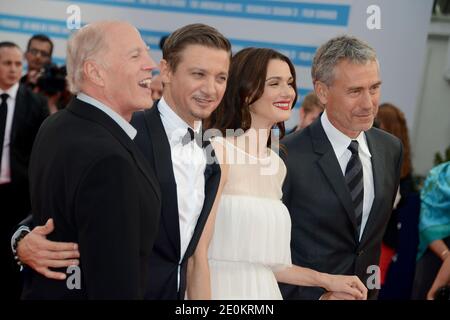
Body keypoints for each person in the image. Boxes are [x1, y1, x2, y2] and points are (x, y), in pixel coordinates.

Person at [13, 23, 231, 300]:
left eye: (221, 77)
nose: (210, 89)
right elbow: (56, 211)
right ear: (166, 71)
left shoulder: (212, 155)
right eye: (198, 74)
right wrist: (20, 240)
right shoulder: (125, 133)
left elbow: (192, 256)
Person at [187, 47, 367, 300]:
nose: (288, 92)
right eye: (275, 83)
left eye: (290, 83)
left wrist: (328, 282)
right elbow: (197, 254)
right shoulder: (218, 150)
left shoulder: (277, 164)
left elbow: (273, 265)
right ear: (247, 91)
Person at [21, 21, 161, 299]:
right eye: (135, 56)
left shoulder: (57, 124)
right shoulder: (110, 158)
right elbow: (114, 285)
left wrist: (19, 239)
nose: (151, 64)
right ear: (96, 72)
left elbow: (56, 217)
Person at [279, 35, 403, 300]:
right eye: (355, 91)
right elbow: (267, 254)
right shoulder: (286, 155)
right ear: (322, 92)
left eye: (374, 88)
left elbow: (370, 241)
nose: (368, 103)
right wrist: (319, 297)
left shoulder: (390, 149)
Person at [0, 41, 48, 299]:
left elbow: (40, 155)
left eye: (18, 64)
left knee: (13, 259)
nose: (13, 69)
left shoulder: (36, 103)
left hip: (17, 197)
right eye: (7, 63)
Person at [376, 102, 420, 299]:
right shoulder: (402, 166)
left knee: (373, 289)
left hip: (382, 244)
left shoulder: (396, 168)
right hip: (381, 243)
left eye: (377, 124)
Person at [412, 161, 450, 299]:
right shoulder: (440, 174)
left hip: (432, 253)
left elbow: (426, 224)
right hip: (432, 258)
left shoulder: (438, 173)